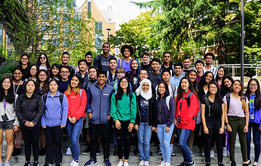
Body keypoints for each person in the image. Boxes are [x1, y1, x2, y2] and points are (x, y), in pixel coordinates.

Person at [84, 71, 114, 166]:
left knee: (105, 139)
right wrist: (89, 113)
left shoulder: (110, 89)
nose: (101, 78)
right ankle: (93, 159)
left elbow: (113, 103)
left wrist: (109, 115)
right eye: (99, 76)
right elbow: (87, 102)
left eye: (103, 77)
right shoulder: (91, 88)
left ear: (106, 78)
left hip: (106, 119)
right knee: (93, 139)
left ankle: (106, 158)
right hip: (94, 119)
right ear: (97, 78)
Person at [15, 79, 44, 166]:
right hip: (24, 125)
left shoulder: (38, 98)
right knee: (27, 144)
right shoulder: (20, 97)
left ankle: (36, 161)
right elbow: (18, 110)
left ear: (35, 87)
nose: (30, 87)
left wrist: (34, 122)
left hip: (35, 125)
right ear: (25, 86)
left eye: (32, 85)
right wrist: (24, 121)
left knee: (35, 143)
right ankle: (27, 161)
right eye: (28, 85)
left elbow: (40, 111)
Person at [41, 79, 68, 166]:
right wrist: (43, 122)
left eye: (54, 85)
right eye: (51, 85)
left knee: (58, 143)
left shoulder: (62, 96)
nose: (53, 86)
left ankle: (58, 161)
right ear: (48, 86)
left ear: (57, 86)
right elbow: (41, 111)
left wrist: (63, 122)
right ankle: (48, 161)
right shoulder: (44, 97)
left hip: (58, 124)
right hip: (47, 125)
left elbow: (65, 110)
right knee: (48, 143)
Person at [111, 77, 137, 166]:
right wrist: (116, 119)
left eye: (125, 82)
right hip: (118, 121)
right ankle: (120, 159)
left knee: (127, 140)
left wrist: (132, 122)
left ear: (128, 84)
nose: (124, 83)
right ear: (119, 84)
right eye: (122, 82)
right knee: (119, 141)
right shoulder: (115, 95)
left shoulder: (131, 95)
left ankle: (126, 160)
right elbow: (113, 108)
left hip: (128, 121)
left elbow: (134, 109)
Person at [224, 80, 250, 166]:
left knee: (243, 141)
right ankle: (233, 161)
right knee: (231, 142)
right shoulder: (227, 97)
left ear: (241, 87)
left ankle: (245, 161)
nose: (237, 86)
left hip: (242, 120)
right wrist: (227, 124)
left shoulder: (243, 98)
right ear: (232, 86)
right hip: (231, 120)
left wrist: (246, 125)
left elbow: (246, 112)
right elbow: (224, 112)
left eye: (239, 85)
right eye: (235, 84)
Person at [175, 77, 199, 166]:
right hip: (179, 123)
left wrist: (184, 120)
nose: (183, 84)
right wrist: (175, 119)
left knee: (182, 143)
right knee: (183, 143)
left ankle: (190, 161)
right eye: (182, 83)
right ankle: (186, 162)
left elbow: (193, 110)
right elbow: (176, 108)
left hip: (187, 123)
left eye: (185, 82)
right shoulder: (179, 95)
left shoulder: (192, 95)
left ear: (189, 84)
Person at [65, 74, 87, 166]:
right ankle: (74, 158)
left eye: (76, 80)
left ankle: (76, 160)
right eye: (72, 80)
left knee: (74, 139)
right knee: (71, 139)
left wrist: (76, 117)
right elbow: (66, 107)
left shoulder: (82, 92)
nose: (74, 82)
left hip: (78, 119)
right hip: (69, 119)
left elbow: (83, 106)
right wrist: (69, 116)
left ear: (79, 82)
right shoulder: (66, 93)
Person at [201, 82, 225, 166]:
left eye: (215, 87)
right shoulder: (205, 98)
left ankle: (220, 161)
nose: (213, 89)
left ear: (217, 89)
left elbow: (223, 114)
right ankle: (208, 161)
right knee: (207, 144)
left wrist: (222, 126)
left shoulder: (220, 99)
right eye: (211, 87)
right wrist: (204, 126)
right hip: (208, 123)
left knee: (219, 144)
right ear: (208, 88)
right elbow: (202, 114)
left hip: (218, 123)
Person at [135, 79, 157, 166]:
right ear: (141, 86)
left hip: (148, 123)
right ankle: (141, 159)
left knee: (147, 142)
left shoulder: (152, 97)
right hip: (140, 123)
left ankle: (146, 159)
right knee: (140, 141)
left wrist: (154, 125)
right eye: (143, 85)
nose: (145, 87)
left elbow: (155, 112)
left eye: (147, 85)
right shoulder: (137, 97)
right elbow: (135, 111)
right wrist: (136, 123)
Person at [154, 81, 175, 166]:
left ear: (166, 89)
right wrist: (155, 126)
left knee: (166, 143)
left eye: (163, 87)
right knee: (161, 143)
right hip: (159, 125)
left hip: (167, 125)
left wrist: (168, 125)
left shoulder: (169, 98)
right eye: (160, 87)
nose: (161, 89)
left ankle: (168, 161)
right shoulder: (156, 99)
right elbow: (155, 113)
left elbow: (172, 113)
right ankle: (164, 160)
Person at [0, 76, 19, 166]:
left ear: (11, 84)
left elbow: (17, 111)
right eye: (4, 82)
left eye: (8, 82)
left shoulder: (15, 96)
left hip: (10, 121)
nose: (6, 84)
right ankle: (0, 161)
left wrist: (16, 123)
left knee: (9, 141)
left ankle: (7, 161)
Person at [82, 66, 98, 154]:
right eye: (90, 72)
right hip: (88, 108)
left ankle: (96, 146)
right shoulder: (85, 83)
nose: (92, 73)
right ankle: (89, 146)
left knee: (97, 128)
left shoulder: (99, 82)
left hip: (98, 108)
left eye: (94, 71)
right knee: (87, 128)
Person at [245, 78, 261, 166]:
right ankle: (247, 159)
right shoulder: (244, 96)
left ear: (257, 86)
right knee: (247, 141)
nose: (252, 86)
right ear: (248, 86)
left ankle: (256, 160)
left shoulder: (260, 97)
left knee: (257, 141)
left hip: (257, 122)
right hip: (247, 122)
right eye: (251, 84)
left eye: (254, 85)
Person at [11, 67, 25, 156]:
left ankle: (18, 146)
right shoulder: (9, 83)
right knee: (11, 127)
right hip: (10, 106)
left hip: (21, 106)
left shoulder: (24, 84)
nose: (17, 75)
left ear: (22, 74)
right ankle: (11, 146)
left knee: (19, 127)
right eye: (15, 73)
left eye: (19, 73)